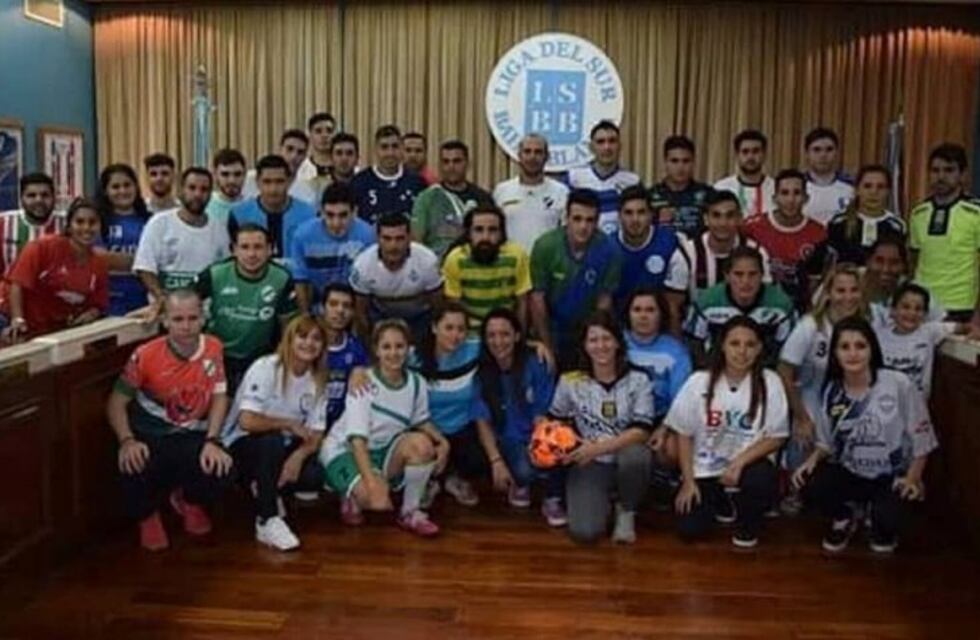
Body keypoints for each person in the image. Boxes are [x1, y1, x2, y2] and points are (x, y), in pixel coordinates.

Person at [792, 317, 938, 553]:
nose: (853, 354)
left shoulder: (898, 383)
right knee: (808, 482)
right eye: (844, 347)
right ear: (835, 353)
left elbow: (923, 438)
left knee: (887, 527)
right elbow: (826, 443)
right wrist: (811, 460)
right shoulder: (832, 391)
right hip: (851, 472)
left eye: (860, 346)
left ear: (872, 349)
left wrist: (913, 478)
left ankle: (875, 515)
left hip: (891, 476)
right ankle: (845, 516)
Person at [105, 288, 232, 551]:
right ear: (164, 321)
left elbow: (220, 396)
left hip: (192, 433)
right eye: (177, 319)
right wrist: (127, 440)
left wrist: (213, 440)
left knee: (223, 465)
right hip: (151, 435)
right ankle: (147, 516)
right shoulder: (145, 354)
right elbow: (116, 403)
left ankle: (190, 501)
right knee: (132, 461)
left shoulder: (213, 347)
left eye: (192, 318)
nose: (186, 326)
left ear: (203, 319)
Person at [320, 319, 450, 537]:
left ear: (408, 349)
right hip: (346, 450)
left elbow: (420, 421)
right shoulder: (363, 382)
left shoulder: (417, 383)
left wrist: (443, 442)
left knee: (422, 445)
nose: (393, 353)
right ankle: (349, 493)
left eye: (399, 346)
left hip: (383, 450)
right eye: (386, 347)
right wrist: (372, 484)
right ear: (377, 350)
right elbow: (357, 441)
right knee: (378, 501)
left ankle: (410, 512)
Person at [668, 316, 790, 548]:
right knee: (689, 529)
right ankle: (722, 499)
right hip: (705, 467)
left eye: (750, 344)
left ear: (759, 349)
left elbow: (777, 436)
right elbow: (683, 433)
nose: (742, 351)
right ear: (722, 345)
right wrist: (688, 481)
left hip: (749, 464)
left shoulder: (770, 381)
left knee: (761, 480)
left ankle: (747, 524)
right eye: (735, 343)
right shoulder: (699, 381)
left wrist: (739, 462)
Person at [222, 315, 330, 551]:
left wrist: (297, 458)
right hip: (242, 443)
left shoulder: (319, 379)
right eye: (302, 336)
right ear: (289, 339)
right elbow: (247, 421)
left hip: (284, 446)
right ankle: (267, 519)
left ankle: (265, 488)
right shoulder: (266, 367)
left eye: (316, 339)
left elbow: (316, 434)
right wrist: (288, 424)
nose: (309, 343)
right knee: (272, 442)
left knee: (313, 475)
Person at [548, 311, 654, 544]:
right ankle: (604, 500)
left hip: (624, 454)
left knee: (637, 456)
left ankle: (626, 511)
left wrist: (598, 448)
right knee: (585, 532)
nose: (601, 346)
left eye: (606, 338)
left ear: (618, 342)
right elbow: (556, 421)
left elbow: (642, 430)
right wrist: (563, 447)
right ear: (584, 345)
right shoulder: (570, 381)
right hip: (590, 462)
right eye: (593, 340)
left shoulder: (639, 379)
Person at [777, 264, 866, 514]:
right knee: (805, 431)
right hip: (812, 392)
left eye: (854, 290)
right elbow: (785, 371)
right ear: (827, 293)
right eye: (840, 290)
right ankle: (794, 490)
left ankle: (856, 495)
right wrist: (801, 417)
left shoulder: (866, 324)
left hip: (851, 394)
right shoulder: (810, 326)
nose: (848, 297)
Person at [471, 308, 565, 525]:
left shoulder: (537, 362)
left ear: (517, 336)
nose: (498, 341)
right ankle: (521, 482)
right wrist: (496, 461)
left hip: (537, 431)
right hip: (508, 439)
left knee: (557, 449)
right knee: (524, 471)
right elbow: (481, 421)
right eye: (491, 335)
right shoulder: (481, 374)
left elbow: (544, 411)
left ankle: (552, 497)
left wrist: (540, 444)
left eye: (505, 334)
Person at [195, 223, 296, 393]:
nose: (251, 254)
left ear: (270, 250)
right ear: (234, 250)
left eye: (258, 247)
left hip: (260, 356)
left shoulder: (282, 278)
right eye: (244, 247)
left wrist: (278, 363)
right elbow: (184, 303)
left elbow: (287, 327)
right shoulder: (215, 274)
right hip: (216, 354)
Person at [530, 189, 621, 363]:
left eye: (590, 220)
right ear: (567, 218)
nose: (583, 226)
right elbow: (537, 299)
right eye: (577, 219)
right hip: (552, 327)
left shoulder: (610, 251)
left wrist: (594, 343)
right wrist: (547, 345)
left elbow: (604, 301)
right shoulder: (545, 246)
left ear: (598, 221)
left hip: (588, 329)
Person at [1, 197, 108, 343]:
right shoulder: (42, 247)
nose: (86, 228)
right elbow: (17, 284)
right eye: (79, 222)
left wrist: (91, 314)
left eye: (92, 222)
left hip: (51, 329)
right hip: (9, 317)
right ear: (69, 227)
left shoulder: (99, 263)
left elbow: (98, 304)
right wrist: (17, 319)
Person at [133, 167, 230, 321]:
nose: (197, 194)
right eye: (192, 188)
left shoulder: (220, 230)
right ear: (181, 190)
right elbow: (144, 267)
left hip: (204, 317)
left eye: (204, 189)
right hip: (164, 317)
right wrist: (162, 298)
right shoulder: (159, 223)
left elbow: (225, 273)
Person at [411, 302, 483, 506]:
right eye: (449, 328)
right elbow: (380, 366)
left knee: (479, 459)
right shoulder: (413, 357)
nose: (455, 335)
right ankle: (430, 482)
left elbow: (504, 343)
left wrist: (537, 345)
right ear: (435, 328)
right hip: (428, 429)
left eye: (461, 329)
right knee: (419, 451)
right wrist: (358, 373)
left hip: (463, 427)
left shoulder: (474, 348)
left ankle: (454, 479)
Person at [684, 246, 795, 365]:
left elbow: (788, 352)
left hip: (765, 369)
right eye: (738, 274)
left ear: (762, 275)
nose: (746, 281)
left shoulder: (782, 305)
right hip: (717, 368)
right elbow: (694, 345)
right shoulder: (706, 303)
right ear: (727, 276)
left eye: (752, 274)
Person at [909, 143, 980, 323]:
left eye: (949, 170)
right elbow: (913, 262)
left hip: (962, 307)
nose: (941, 176)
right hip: (922, 306)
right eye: (935, 170)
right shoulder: (918, 213)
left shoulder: (976, 213)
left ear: (963, 175)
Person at [872, 282, 979, 400]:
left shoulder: (930, 331)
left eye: (918, 309)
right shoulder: (879, 336)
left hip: (917, 405)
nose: (912, 313)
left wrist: (973, 330)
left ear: (925, 314)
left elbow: (962, 327)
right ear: (892, 310)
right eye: (906, 307)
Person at [743, 168, 827, 309]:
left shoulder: (818, 233)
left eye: (797, 193)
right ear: (774, 198)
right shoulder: (752, 227)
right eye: (784, 193)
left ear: (806, 198)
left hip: (800, 306)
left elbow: (816, 282)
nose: (791, 200)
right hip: (759, 304)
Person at [351, 211, 443, 338]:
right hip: (381, 316)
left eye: (400, 238)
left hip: (420, 317)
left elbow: (438, 307)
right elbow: (360, 312)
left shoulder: (427, 261)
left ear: (409, 238)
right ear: (377, 239)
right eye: (387, 238)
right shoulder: (362, 265)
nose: (393, 246)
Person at [288, 182, 375, 314]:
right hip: (317, 303)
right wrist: (306, 317)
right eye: (330, 215)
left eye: (343, 215)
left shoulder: (367, 235)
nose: (336, 223)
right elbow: (300, 281)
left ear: (354, 212)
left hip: (354, 304)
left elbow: (368, 284)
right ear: (321, 212)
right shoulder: (302, 236)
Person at [612, 185, 688, 332]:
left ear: (651, 215)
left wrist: (672, 346)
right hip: (619, 329)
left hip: (661, 330)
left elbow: (673, 308)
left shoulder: (671, 245)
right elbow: (604, 304)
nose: (635, 219)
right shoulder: (607, 248)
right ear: (619, 216)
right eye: (628, 213)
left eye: (641, 212)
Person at [443, 204, 531, 332]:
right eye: (479, 230)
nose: (485, 237)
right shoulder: (455, 259)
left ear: (501, 234)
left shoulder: (517, 256)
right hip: (470, 330)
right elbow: (455, 308)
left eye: (492, 230)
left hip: (505, 329)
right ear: (469, 233)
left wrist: (519, 337)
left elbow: (522, 303)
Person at [676, 190, 772, 300]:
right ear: (706, 219)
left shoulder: (757, 252)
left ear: (740, 218)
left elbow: (767, 298)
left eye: (730, 216)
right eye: (716, 216)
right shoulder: (687, 253)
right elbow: (674, 304)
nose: (723, 223)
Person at [623, 287, 692, 426]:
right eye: (637, 310)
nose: (643, 316)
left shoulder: (676, 352)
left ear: (661, 314)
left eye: (650, 310)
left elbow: (680, 401)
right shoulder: (614, 342)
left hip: (661, 421)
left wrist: (665, 428)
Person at [411, 139, 491, 259]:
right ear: (440, 165)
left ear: (467, 164)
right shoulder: (427, 198)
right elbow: (417, 243)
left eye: (456, 161)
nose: (451, 167)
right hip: (438, 266)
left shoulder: (483, 198)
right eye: (446, 162)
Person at [230, 154, 317, 262]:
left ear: (289, 181)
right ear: (257, 182)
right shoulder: (239, 215)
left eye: (279, 181)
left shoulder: (309, 216)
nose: (273, 189)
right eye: (267, 182)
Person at [492, 133, 569, 254]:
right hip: (511, 261)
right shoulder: (501, 191)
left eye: (538, 152)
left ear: (546, 157)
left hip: (546, 262)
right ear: (519, 155)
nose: (532, 157)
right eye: (527, 151)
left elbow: (566, 235)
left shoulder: (561, 192)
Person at [820, 165, 905, 267]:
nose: (874, 192)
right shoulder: (838, 222)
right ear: (857, 190)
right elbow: (829, 262)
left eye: (880, 187)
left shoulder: (896, 225)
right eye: (867, 186)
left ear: (888, 191)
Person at [566, 121, 640, 236]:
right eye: (600, 142)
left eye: (612, 141)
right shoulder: (574, 178)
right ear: (591, 147)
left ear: (620, 146)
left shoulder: (632, 181)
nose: (607, 147)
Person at [95, 164, 151, 316]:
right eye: (115, 187)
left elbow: (159, 261)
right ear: (105, 191)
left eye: (127, 185)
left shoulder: (150, 220)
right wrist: (143, 262)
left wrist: (120, 260)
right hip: (107, 303)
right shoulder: (97, 221)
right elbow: (98, 258)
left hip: (144, 302)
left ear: (136, 187)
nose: (123, 191)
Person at [349, 125, 427, 225]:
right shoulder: (359, 182)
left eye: (395, 146)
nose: (390, 153)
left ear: (402, 149)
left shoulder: (417, 183)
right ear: (376, 150)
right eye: (384, 147)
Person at [320, 283, 370, 427]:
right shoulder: (307, 344)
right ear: (322, 308)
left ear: (353, 312)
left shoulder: (357, 349)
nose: (340, 310)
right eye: (333, 304)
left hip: (341, 425)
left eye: (346, 306)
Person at [649, 135, 714, 238]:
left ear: (693, 162)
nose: (680, 167)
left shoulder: (709, 195)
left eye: (686, 161)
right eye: (674, 161)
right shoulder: (649, 196)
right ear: (665, 162)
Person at [0, 172, 63, 277]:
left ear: (54, 197)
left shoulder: (68, 225)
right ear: (21, 198)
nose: (39, 200)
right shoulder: (4, 224)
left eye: (45, 195)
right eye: (31, 195)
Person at [242, 129, 317, 206]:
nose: (294, 156)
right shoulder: (248, 179)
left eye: (300, 152)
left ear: (305, 157)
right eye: (289, 149)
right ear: (280, 149)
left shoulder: (307, 193)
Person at [714, 129, 775, 217]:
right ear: (737, 155)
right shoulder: (721, 188)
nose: (750, 157)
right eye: (745, 152)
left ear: (764, 154)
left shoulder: (775, 189)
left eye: (756, 151)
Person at [801, 127, 854, 225]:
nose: (823, 155)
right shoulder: (796, 185)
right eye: (816, 150)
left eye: (829, 149)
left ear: (837, 153)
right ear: (807, 153)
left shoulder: (852, 186)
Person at [294, 112, 337, 200]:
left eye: (329, 131)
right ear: (310, 135)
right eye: (318, 131)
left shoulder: (349, 168)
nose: (324, 135)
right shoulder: (300, 170)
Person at [205, 148, 247, 228]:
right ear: (215, 175)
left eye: (237, 174)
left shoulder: (254, 207)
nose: (232, 180)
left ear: (244, 175)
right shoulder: (205, 206)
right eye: (225, 174)